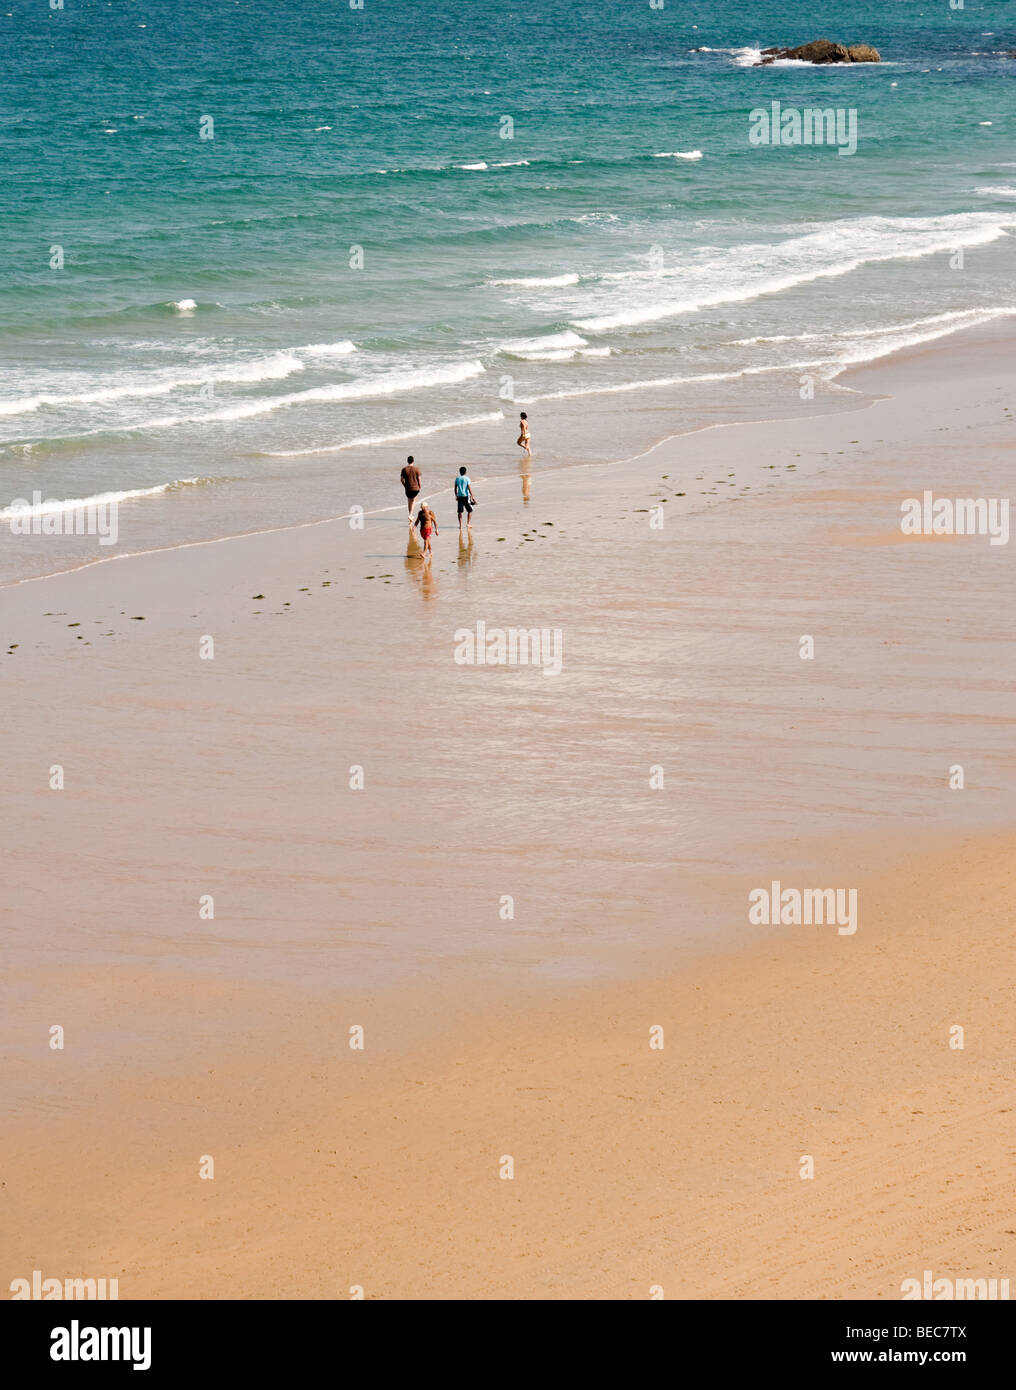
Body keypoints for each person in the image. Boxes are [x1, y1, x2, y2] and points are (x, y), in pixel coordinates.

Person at [454, 465, 475, 532]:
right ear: (465, 472)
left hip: (459, 496)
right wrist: (472, 496)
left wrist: (456, 496)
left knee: (460, 512)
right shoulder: (467, 479)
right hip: (466, 496)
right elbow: (469, 487)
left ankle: (460, 525)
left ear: (460, 472)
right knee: (470, 510)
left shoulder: (457, 479)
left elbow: (455, 489)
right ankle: (468, 523)